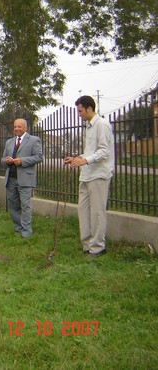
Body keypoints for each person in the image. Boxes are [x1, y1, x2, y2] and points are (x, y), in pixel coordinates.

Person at [64, 95, 114, 258]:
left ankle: (97, 247)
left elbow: (104, 151)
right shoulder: (88, 126)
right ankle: (87, 245)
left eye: (80, 111)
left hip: (99, 175)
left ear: (89, 108)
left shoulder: (102, 124)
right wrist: (77, 158)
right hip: (86, 175)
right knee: (83, 211)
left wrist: (86, 160)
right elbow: (90, 152)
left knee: (97, 213)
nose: (79, 114)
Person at [1, 119, 43, 238]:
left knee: (25, 206)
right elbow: (3, 159)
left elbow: (39, 157)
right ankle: (18, 229)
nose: (16, 129)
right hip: (11, 179)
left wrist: (22, 161)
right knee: (13, 205)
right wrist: (7, 161)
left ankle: (26, 232)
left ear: (25, 128)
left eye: (19, 127)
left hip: (25, 179)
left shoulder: (34, 140)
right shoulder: (9, 142)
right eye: (15, 127)